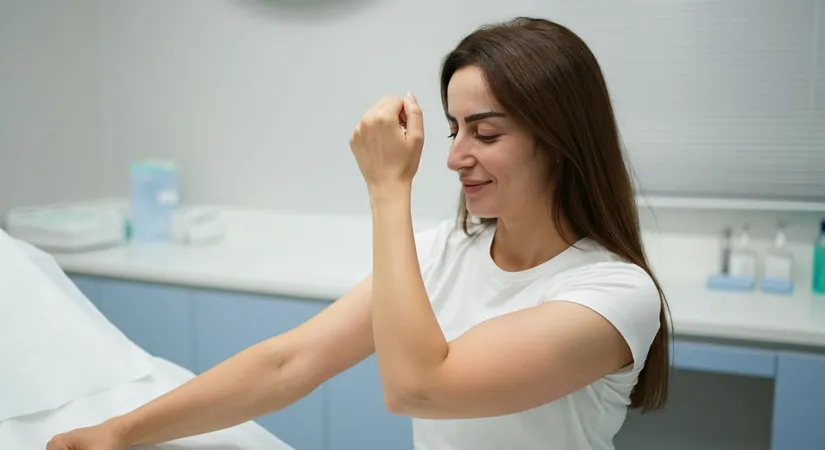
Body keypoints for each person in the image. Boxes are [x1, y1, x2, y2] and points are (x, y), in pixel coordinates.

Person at [48, 16, 670, 450]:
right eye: (453, 130)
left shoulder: (612, 295)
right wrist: (121, 431)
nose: (454, 157)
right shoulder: (446, 251)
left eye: (485, 133)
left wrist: (386, 189)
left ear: (560, 143)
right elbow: (287, 363)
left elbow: (420, 390)